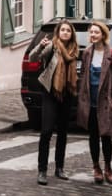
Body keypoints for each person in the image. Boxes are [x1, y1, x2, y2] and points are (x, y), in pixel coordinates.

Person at [29, 20, 79, 185]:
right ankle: (42, 170)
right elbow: (32, 57)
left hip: (67, 94)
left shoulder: (74, 51)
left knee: (63, 132)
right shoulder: (52, 46)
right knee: (47, 131)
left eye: (68, 30)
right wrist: (40, 46)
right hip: (51, 92)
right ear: (58, 33)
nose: (65, 32)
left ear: (72, 34)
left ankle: (59, 168)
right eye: (63, 30)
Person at [76, 21, 112, 185]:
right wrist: (81, 98)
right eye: (91, 33)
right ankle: (96, 167)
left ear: (103, 34)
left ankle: (108, 168)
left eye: (96, 32)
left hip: (106, 102)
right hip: (91, 101)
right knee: (93, 136)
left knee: (106, 136)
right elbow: (83, 76)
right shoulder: (87, 53)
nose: (93, 35)